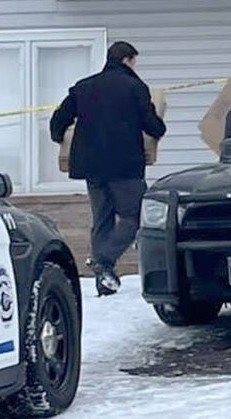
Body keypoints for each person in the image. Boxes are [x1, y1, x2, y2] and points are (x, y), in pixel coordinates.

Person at [50, 41, 167, 296]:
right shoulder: (135, 87)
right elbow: (151, 125)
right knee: (134, 216)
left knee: (101, 217)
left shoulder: (83, 87)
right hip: (124, 164)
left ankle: (104, 279)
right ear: (128, 60)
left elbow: (58, 120)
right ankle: (103, 260)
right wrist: (160, 128)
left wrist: (61, 138)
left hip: (90, 165)